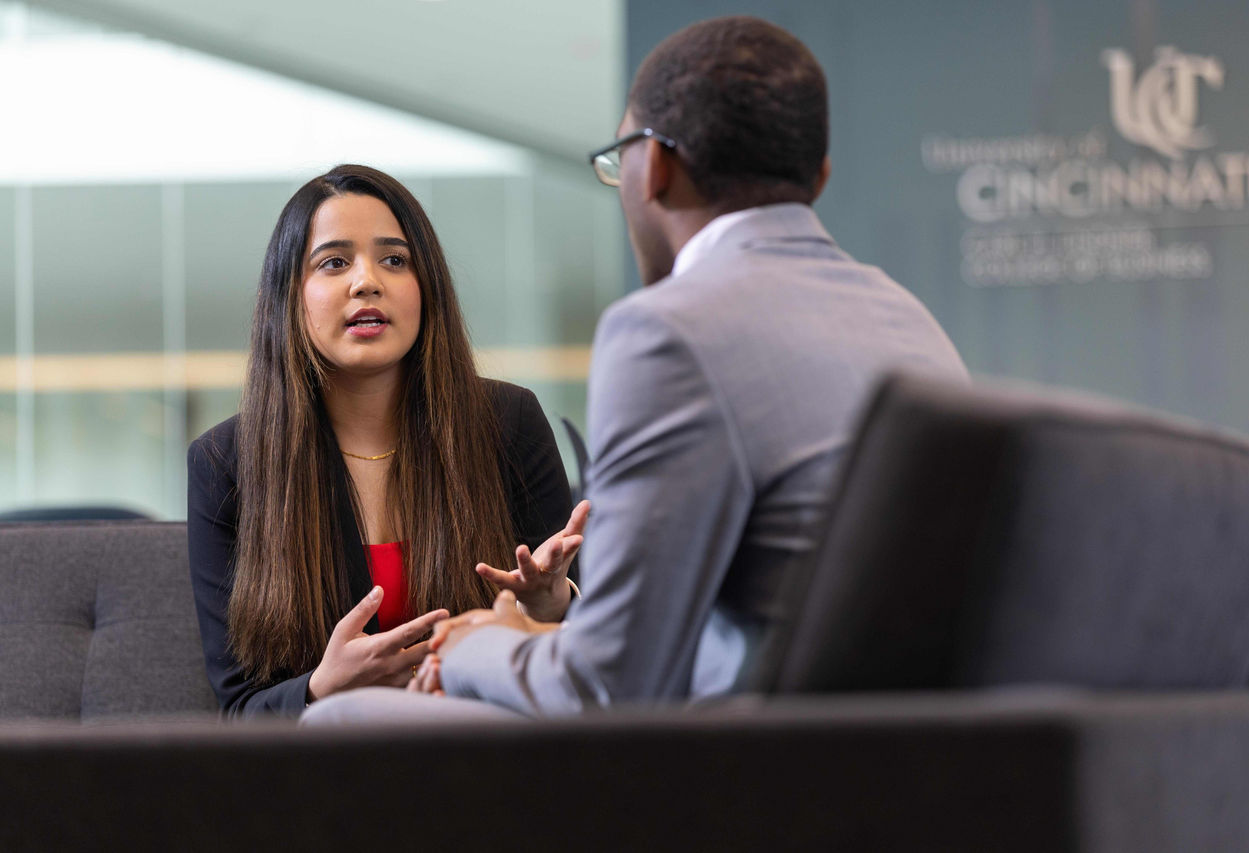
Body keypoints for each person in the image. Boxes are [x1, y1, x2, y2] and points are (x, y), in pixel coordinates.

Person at [305, 17, 968, 721]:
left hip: (747, 772)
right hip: (904, 760)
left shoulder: (667, 331)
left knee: (336, 720)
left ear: (655, 167)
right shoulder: (910, 320)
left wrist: (473, 643)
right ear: (818, 177)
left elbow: (606, 683)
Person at [187, 164, 583, 717]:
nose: (367, 281)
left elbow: (589, 660)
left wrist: (550, 604)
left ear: (427, 288)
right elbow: (238, 709)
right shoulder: (224, 462)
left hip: (488, 742)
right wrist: (321, 687)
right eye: (333, 262)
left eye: (395, 260)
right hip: (325, 770)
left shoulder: (507, 421)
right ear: (289, 296)